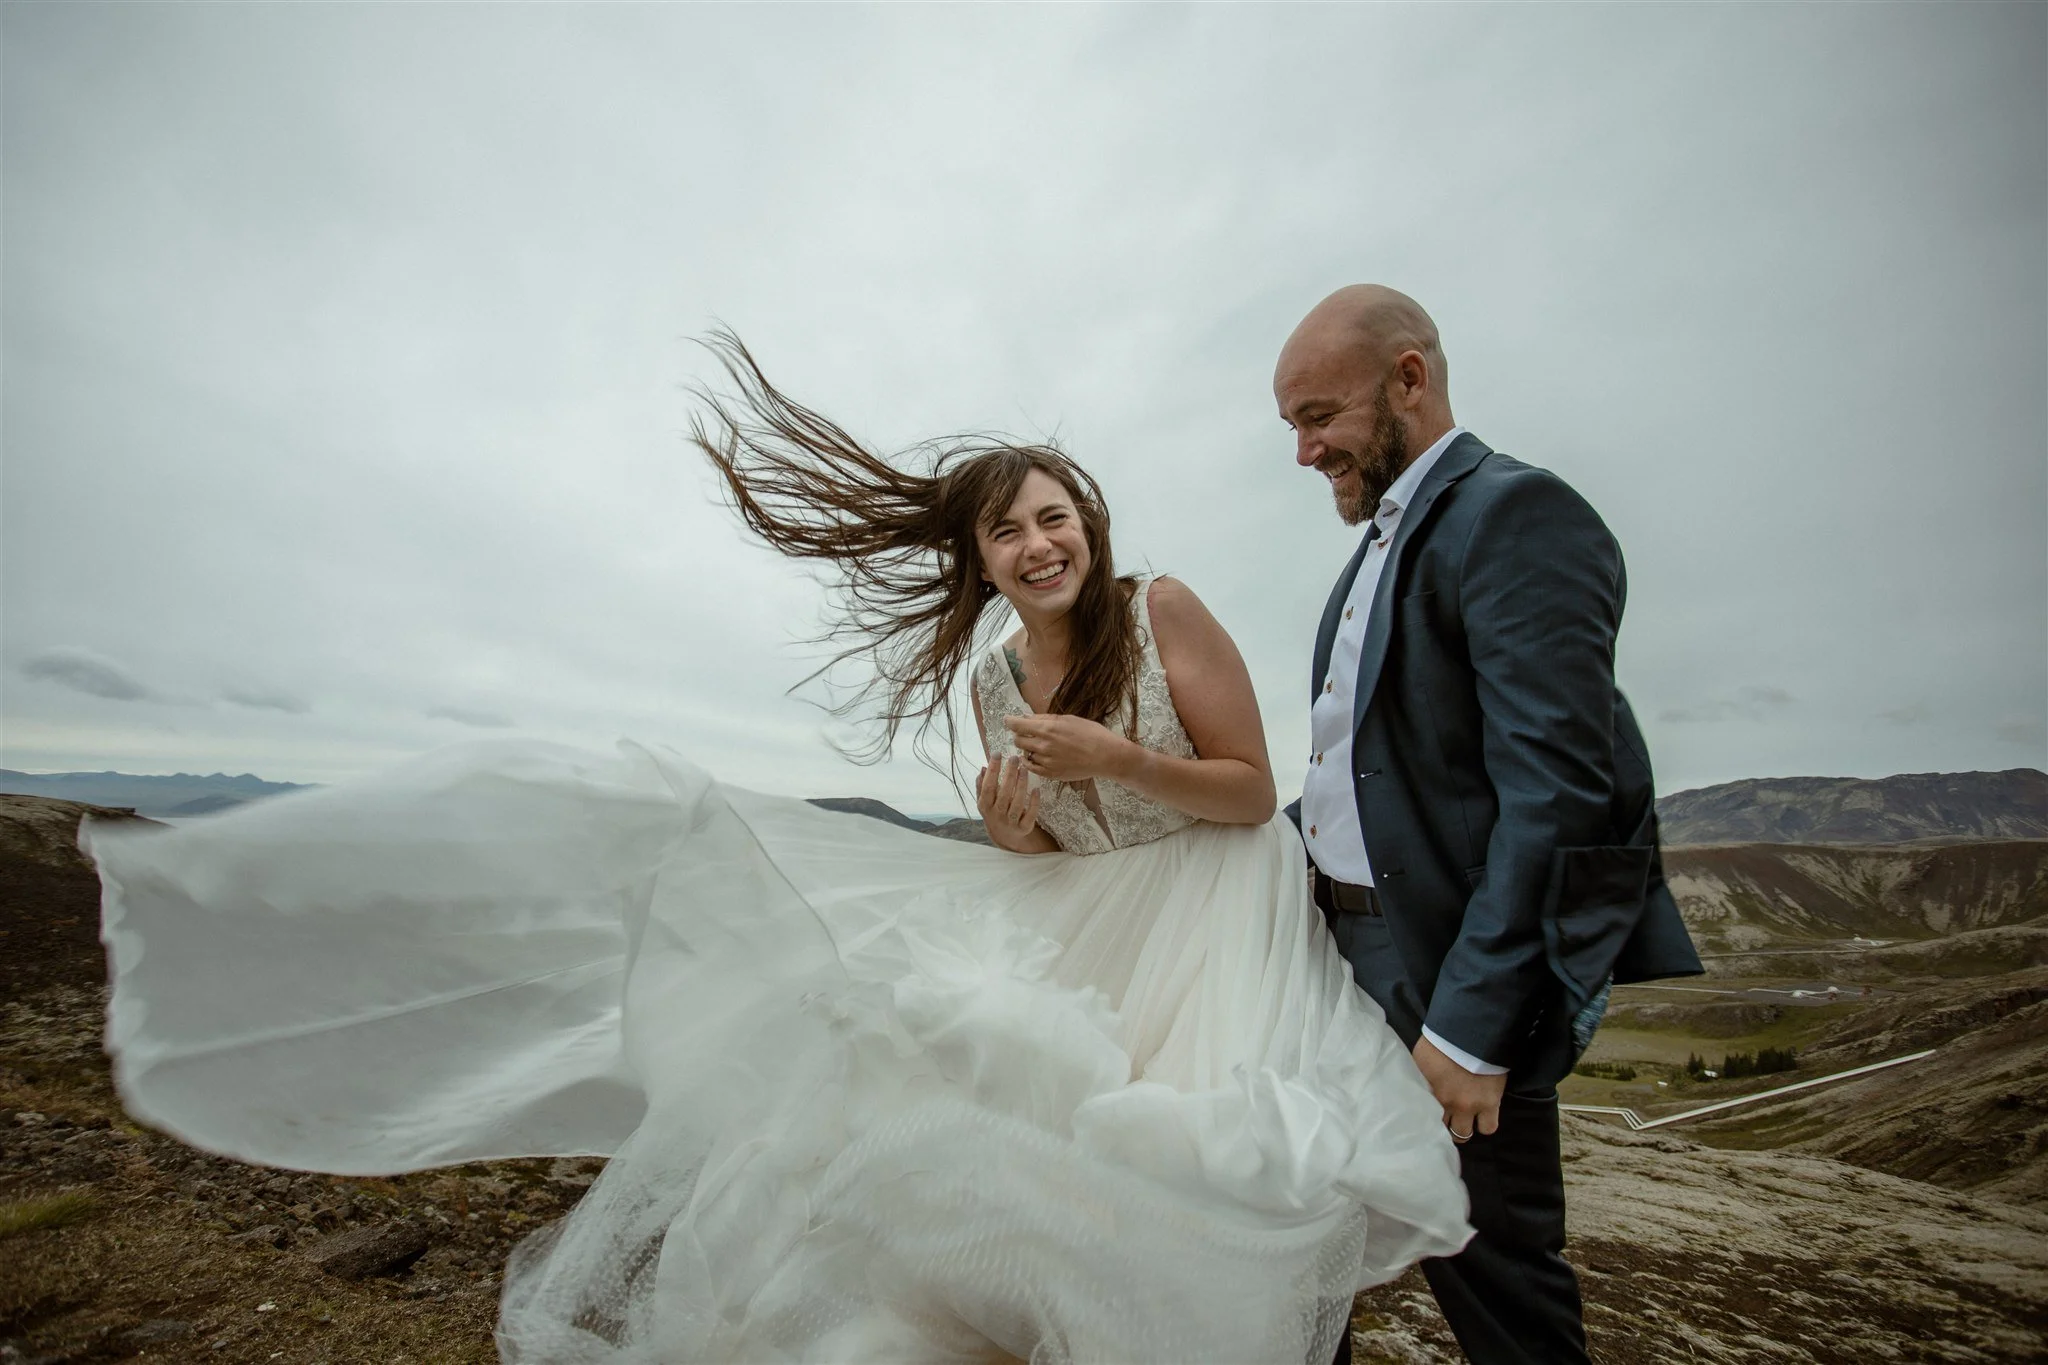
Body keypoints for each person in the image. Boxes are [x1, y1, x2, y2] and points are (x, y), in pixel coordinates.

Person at [89, 331, 1471, 1364]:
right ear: (983, 558)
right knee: (987, 1108)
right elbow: (1058, 845)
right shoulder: (994, 680)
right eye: (1012, 529)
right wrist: (1021, 832)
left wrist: (1115, 759)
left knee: (1200, 1160)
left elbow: (1243, 792)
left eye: (1057, 516)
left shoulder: (1159, 605)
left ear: (1087, 525)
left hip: (1218, 899)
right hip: (1096, 902)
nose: (1041, 542)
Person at [1275, 285, 1703, 1365]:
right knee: (1293, 1254)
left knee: (1495, 1277)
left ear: (1408, 379)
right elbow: (1351, 779)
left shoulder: (1513, 515)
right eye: (1291, 425)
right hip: (1330, 963)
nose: (1302, 450)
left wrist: (1473, 1026)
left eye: (1317, 416)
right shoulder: (1371, 549)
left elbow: (1558, 791)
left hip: (1440, 974)